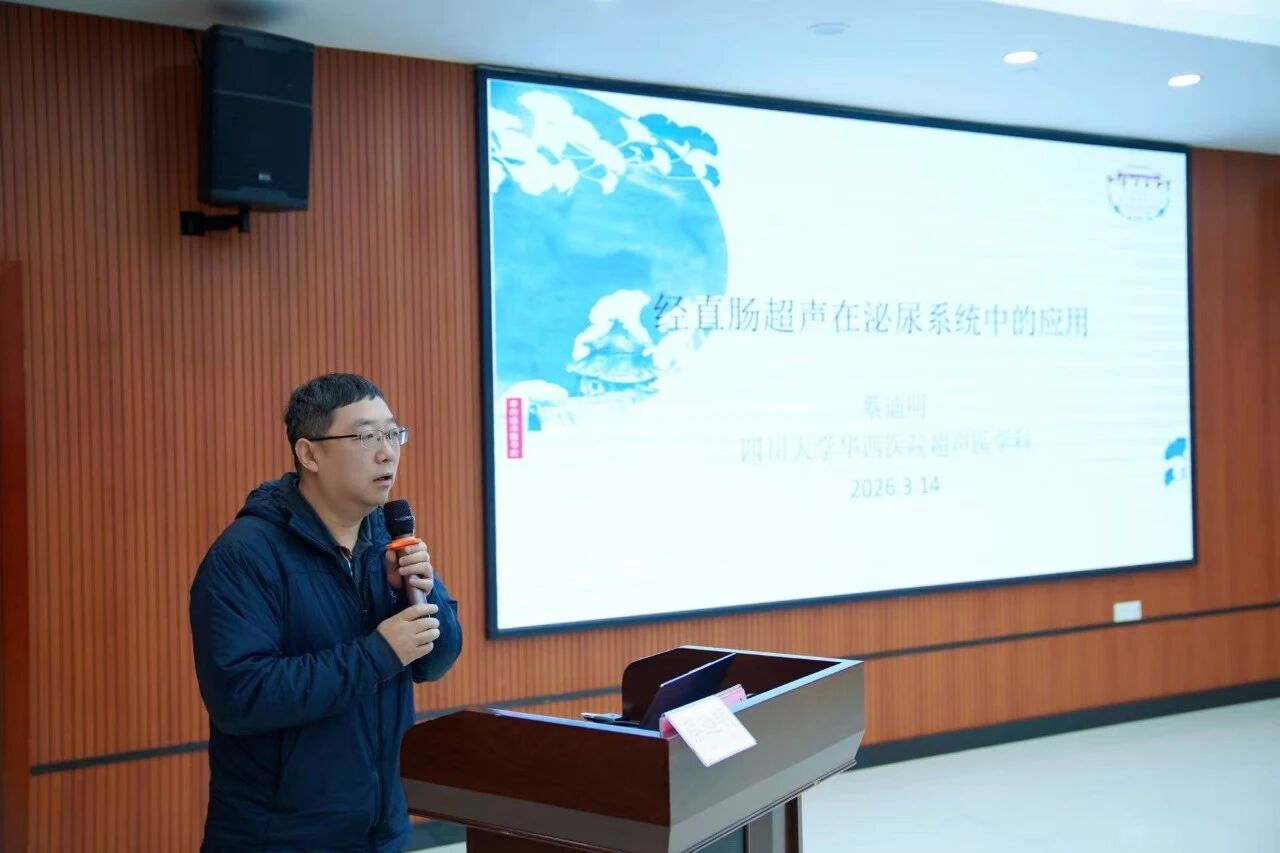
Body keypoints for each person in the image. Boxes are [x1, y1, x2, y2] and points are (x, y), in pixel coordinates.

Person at [189, 373, 462, 851]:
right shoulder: (245, 556)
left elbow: (435, 661)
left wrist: (422, 593)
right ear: (309, 454)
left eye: (392, 433)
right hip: (281, 838)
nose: (387, 453)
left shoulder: (386, 538)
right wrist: (379, 653)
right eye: (366, 437)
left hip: (382, 830)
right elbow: (242, 696)